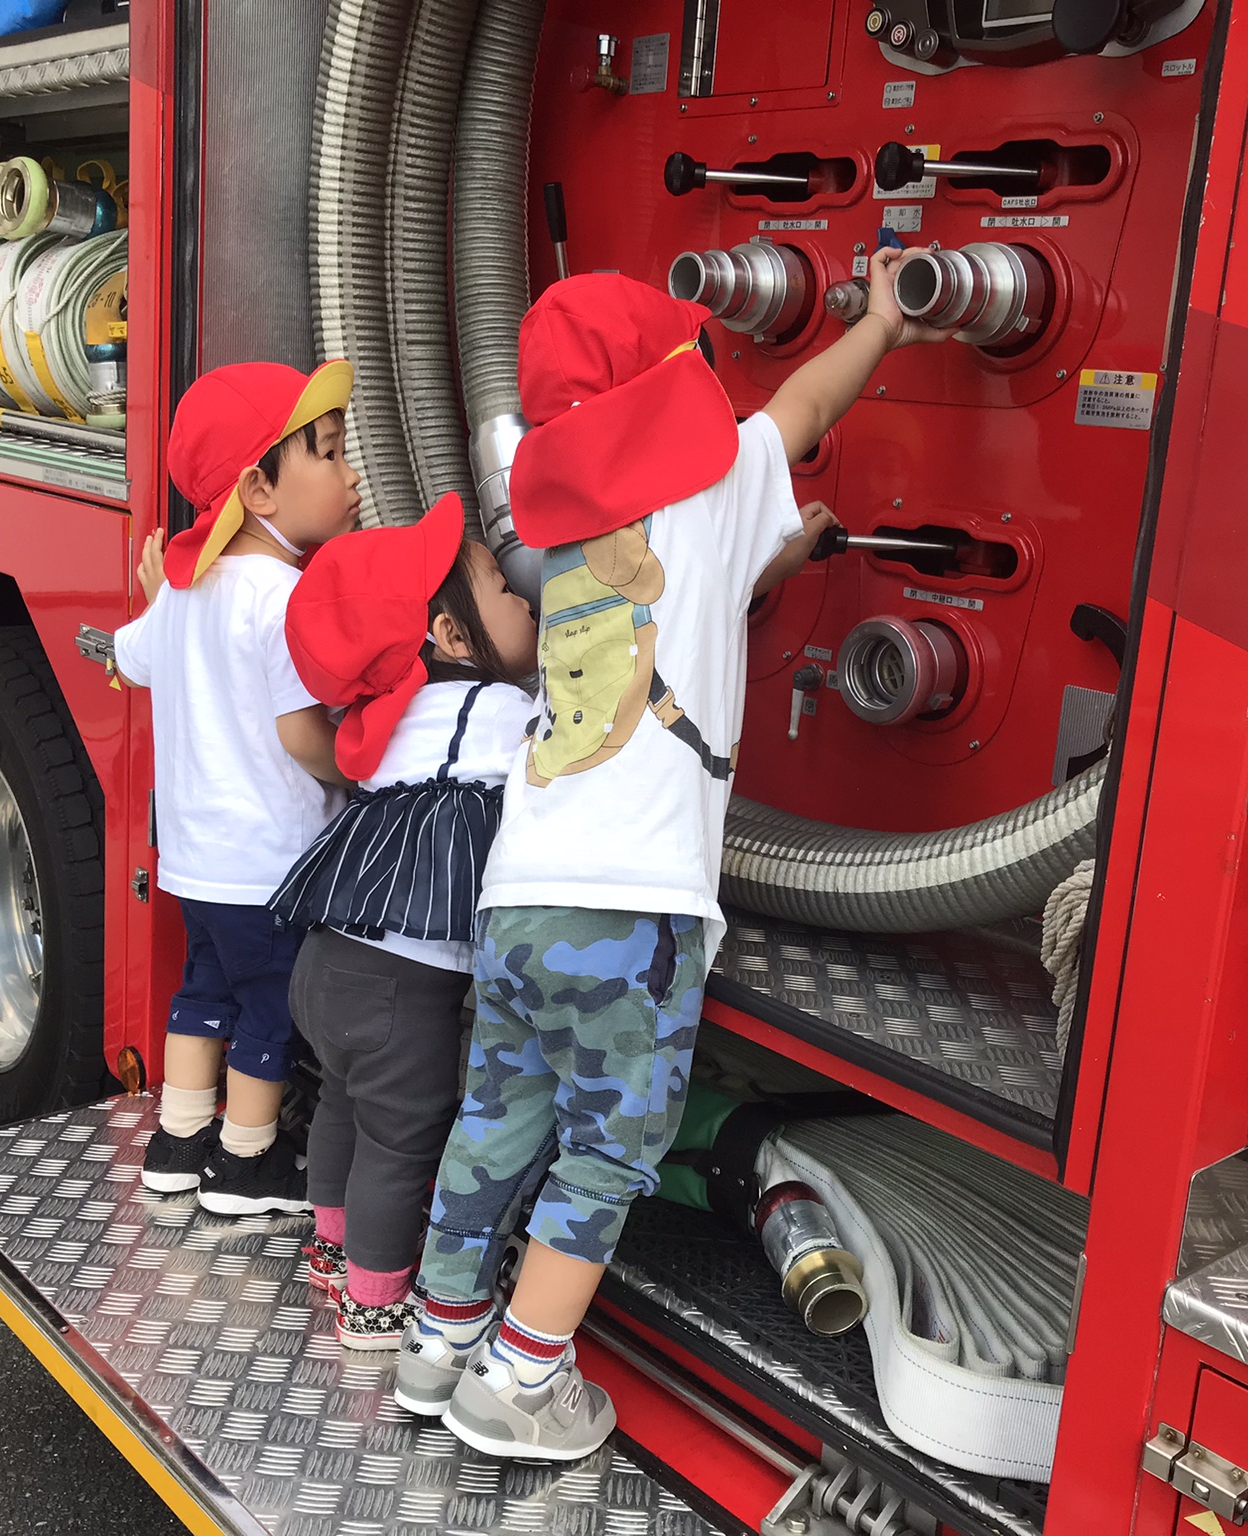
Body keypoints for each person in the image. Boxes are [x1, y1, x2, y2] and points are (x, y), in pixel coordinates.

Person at [395, 253, 951, 1459]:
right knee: (607, 1151)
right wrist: (891, 324)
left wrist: (773, 558)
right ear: (670, 381)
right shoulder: (726, 478)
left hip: (520, 892)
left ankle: (436, 1343)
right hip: (632, 910)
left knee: (494, 1121)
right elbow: (801, 407)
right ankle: (521, 1381)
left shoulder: (566, 526)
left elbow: (661, 610)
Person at [269, 491, 539, 1350]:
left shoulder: (393, 719)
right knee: (404, 1136)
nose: (526, 596)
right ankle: (376, 1306)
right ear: (455, 638)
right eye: (503, 584)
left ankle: (335, 1252)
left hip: (326, 964)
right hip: (399, 988)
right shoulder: (497, 713)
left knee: (344, 1108)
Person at [116, 359, 362, 1215]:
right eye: (329, 455)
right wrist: (358, 768)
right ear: (260, 489)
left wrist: (155, 601)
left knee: (202, 994)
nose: (351, 474)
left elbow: (129, 657)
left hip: (196, 863)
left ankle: (177, 1144)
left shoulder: (185, 593)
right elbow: (303, 735)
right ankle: (246, 1161)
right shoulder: (288, 598)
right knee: (271, 1013)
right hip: (270, 867)